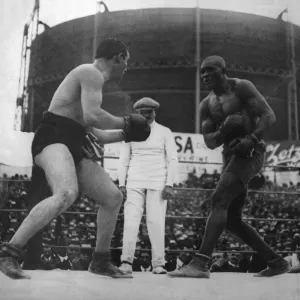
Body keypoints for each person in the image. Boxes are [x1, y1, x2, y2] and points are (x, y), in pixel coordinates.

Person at [0, 38, 151, 280]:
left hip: (72, 139)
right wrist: (125, 122)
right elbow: (93, 116)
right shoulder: (90, 73)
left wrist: (127, 134)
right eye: (126, 62)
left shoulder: (92, 84)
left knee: (112, 198)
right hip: (53, 137)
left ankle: (100, 261)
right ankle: (10, 252)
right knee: (66, 193)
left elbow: (97, 133)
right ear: (119, 57)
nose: (126, 68)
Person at [168, 55, 291, 278]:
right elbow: (209, 142)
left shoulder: (242, 88)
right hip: (231, 157)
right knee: (232, 220)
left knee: (219, 199)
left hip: (252, 151)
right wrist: (224, 130)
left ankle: (200, 263)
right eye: (202, 72)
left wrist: (251, 139)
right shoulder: (206, 104)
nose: (205, 75)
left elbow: (268, 115)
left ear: (223, 71)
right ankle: (277, 262)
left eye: (210, 70)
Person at [118, 97, 178, 275]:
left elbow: (172, 159)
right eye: (142, 113)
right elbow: (123, 159)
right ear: (137, 113)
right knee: (131, 221)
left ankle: (158, 263)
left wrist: (169, 184)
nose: (146, 116)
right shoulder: (129, 132)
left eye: (149, 112)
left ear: (155, 112)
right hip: (134, 180)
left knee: (156, 222)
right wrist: (122, 184)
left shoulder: (165, 132)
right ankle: (126, 262)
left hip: (158, 181)